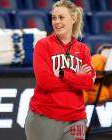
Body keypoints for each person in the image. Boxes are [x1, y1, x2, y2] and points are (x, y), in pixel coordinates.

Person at [25, 0, 96, 140]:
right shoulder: (43, 45)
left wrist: (63, 74)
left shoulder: (83, 50)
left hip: (76, 118)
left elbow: (89, 83)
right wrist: (77, 78)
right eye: (54, 18)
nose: (57, 22)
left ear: (73, 19)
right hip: (44, 116)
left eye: (61, 17)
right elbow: (45, 82)